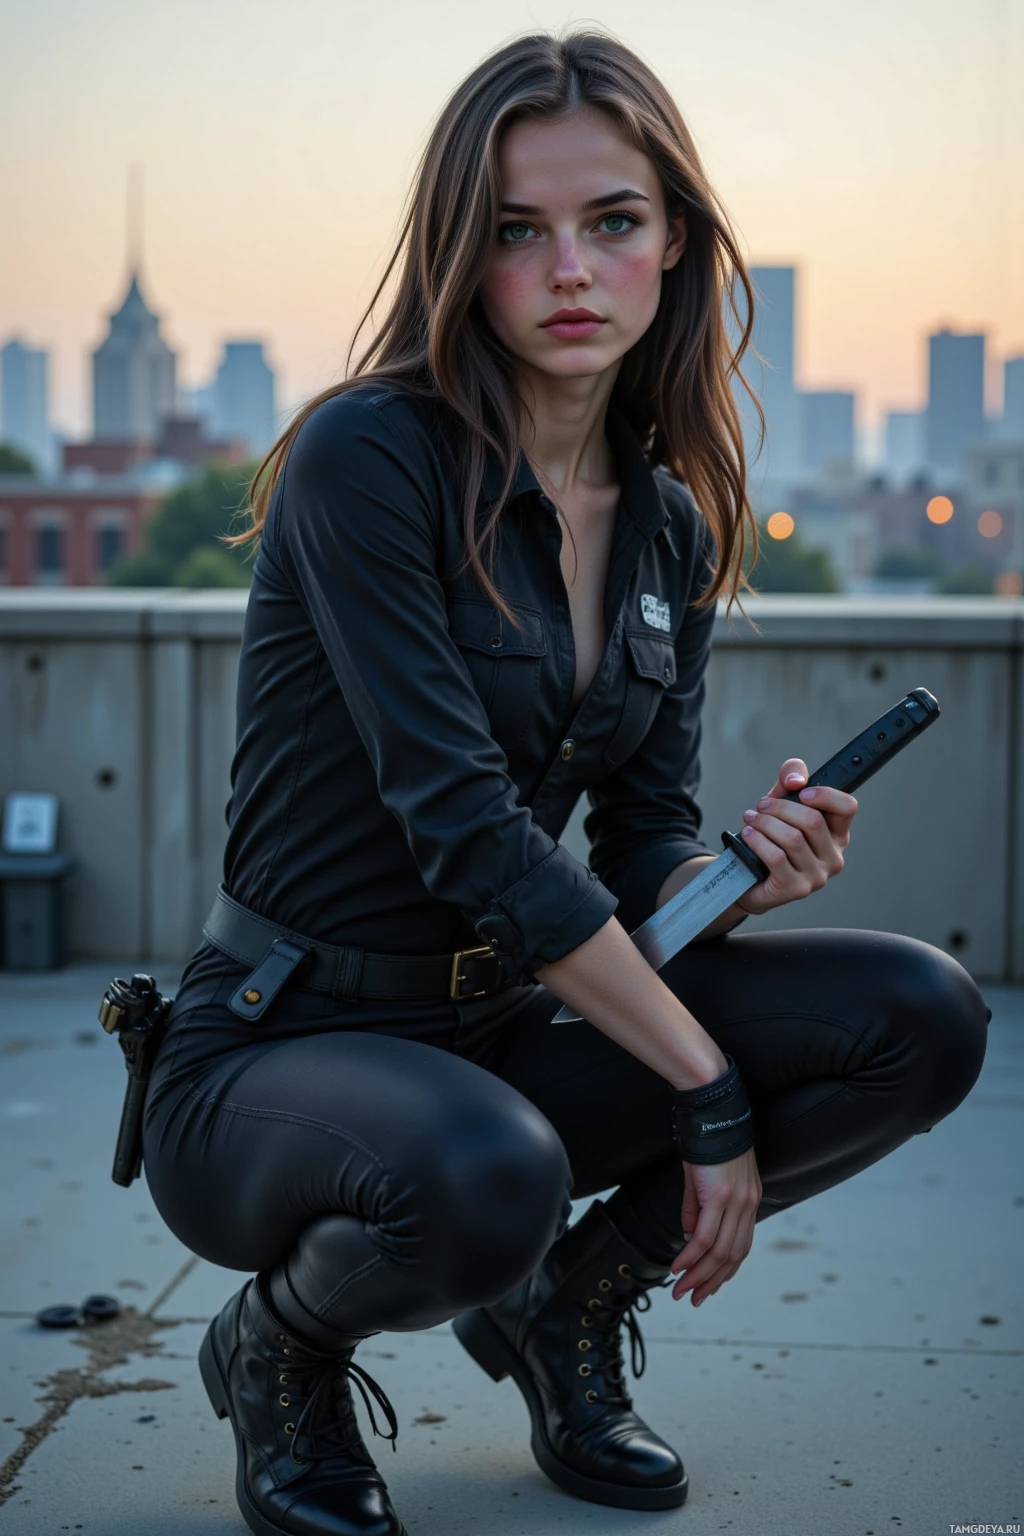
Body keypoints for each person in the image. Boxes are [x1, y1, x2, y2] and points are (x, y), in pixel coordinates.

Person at [140, 29, 990, 1536]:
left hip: (497, 1027)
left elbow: (643, 832)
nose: (570, 270)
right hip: (280, 1052)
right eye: (519, 232)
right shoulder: (368, 458)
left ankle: (569, 1311)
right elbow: (467, 829)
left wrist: (745, 868)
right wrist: (704, 1090)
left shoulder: (665, 522)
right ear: (464, 259)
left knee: (918, 1016)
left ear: (675, 240)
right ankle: (277, 1348)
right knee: (489, 1173)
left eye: (612, 222)